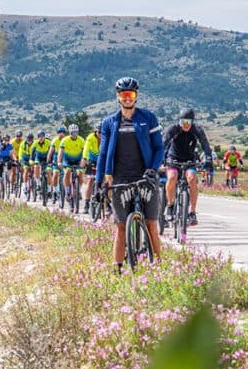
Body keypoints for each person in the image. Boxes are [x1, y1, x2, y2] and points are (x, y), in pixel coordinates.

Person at [96, 76, 164, 274]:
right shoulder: (109, 122)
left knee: (151, 224)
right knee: (120, 227)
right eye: (124, 95)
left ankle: (158, 268)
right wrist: (100, 182)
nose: (127, 98)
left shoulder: (148, 118)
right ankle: (117, 269)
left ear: (136, 96)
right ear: (118, 97)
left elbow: (159, 148)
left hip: (145, 177)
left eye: (131, 94)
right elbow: (102, 154)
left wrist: (153, 168)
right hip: (120, 179)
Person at [163, 108, 213, 226]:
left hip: (189, 159)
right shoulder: (173, 129)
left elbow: (205, 145)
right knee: (172, 177)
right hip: (173, 158)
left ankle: (192, 212)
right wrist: (160, 158)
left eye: (188, 122)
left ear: (192, 122)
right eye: (183, 122)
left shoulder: (197, 130)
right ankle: (170, 206)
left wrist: (209, 159)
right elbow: (163, 143)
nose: (185, 125)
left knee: (192, 179)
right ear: (179, 121)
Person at [58, 124, 85, 211]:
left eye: (76, 132)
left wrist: (84, 160)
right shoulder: (65, 140)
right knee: (67, 172)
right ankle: (67, 192)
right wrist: (59, 161)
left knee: (80, 173)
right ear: (69, 132)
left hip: (78, 160)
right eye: (73, 132)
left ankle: (79, 190)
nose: (74, 134)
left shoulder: (81, 140)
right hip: (67, 160)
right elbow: (60, 152)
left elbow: (84, 151)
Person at [82, 127, 101, 213]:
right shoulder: (90, 137)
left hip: (102, 159)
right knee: (90, 180)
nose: (100, 134)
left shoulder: (106, 136)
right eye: (99, 132)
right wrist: (84, 158)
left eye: (102, 132)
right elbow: (86, 148)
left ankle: (107, 203)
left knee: (106, 180)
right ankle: (86, 204)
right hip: (92, 160)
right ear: (95, 132)